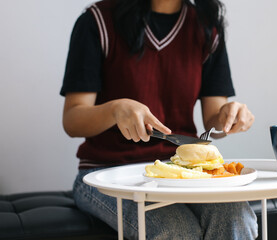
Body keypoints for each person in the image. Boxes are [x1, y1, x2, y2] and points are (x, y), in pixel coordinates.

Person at [60, 0, 257, 239]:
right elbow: (72, 119)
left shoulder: (206, 27)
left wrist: (230, 116)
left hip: (182, 171)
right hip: (106, 174)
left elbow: (213, 122)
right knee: (177, 232)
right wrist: (114, 110)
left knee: (238, 218)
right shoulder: (97, 21)